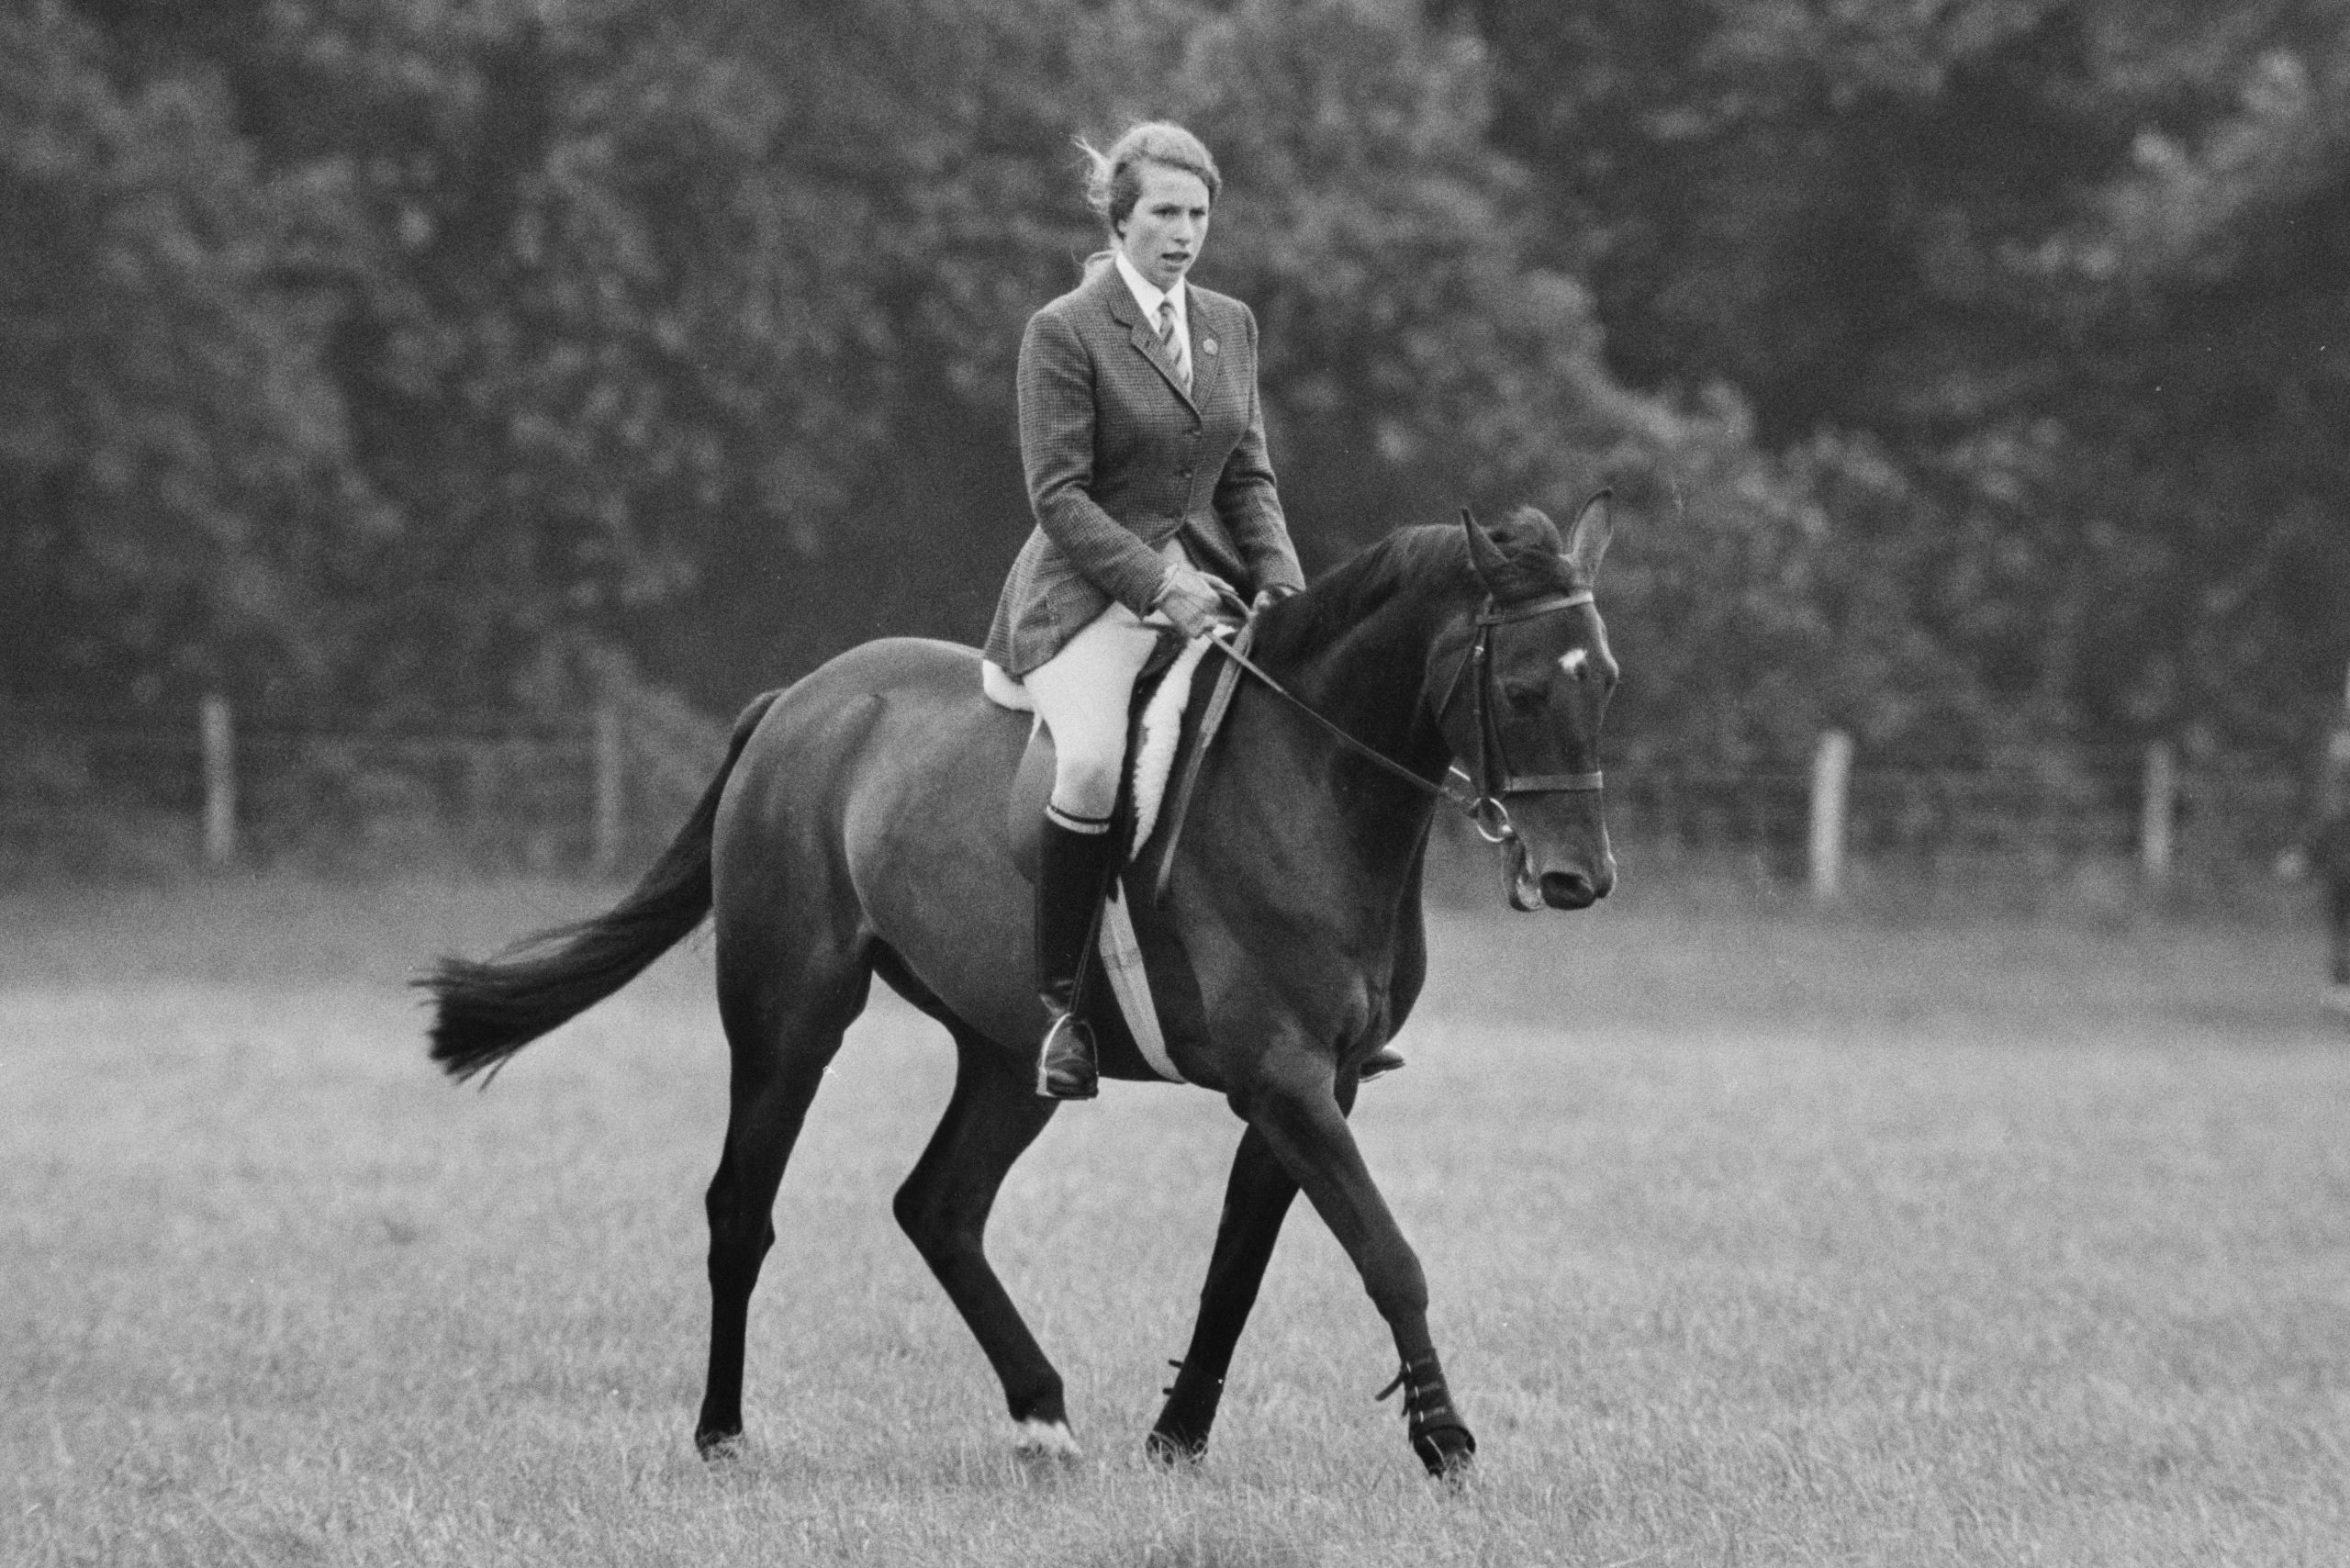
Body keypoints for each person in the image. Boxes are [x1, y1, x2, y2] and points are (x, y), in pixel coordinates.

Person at [980, 121, 1304, 1100]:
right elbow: (1059, 497)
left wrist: (1283, 584)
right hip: (1085, 595)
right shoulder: (1064, 330)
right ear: (1120, 220)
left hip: (1209, 585)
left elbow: (1246, 473)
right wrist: (1159, 586)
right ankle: (1064, 1010)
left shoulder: (1229, 324)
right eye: (1163, 212)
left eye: (1198, 214)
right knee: (1088, 763)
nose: (1183, 231)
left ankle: (1311, 996)